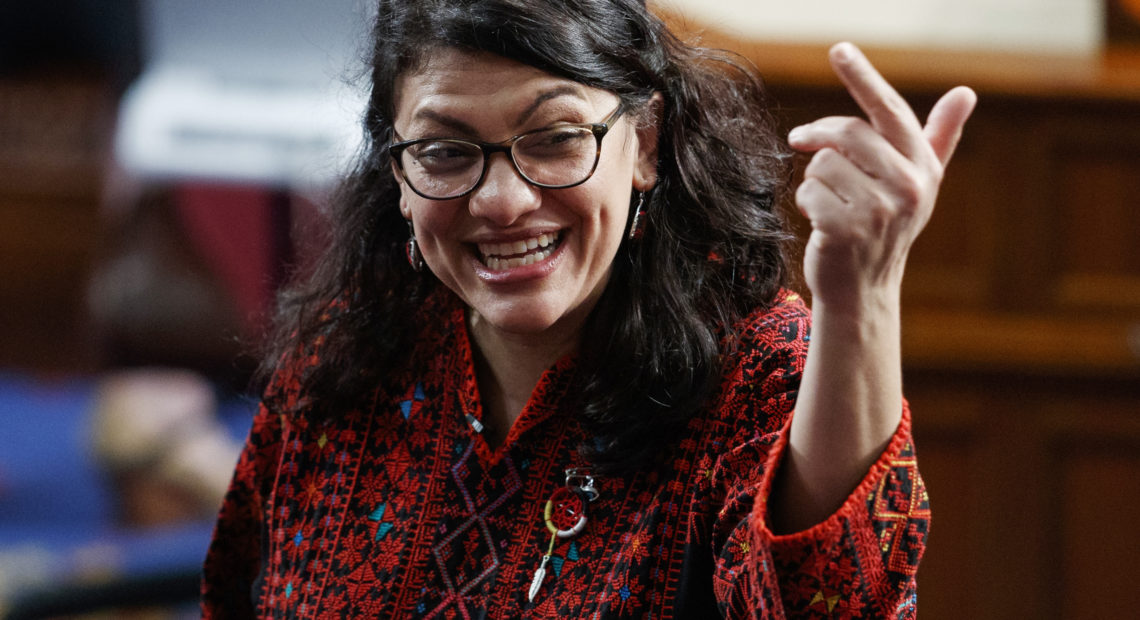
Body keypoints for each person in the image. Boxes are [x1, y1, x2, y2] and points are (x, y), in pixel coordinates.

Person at [202, 0, 976, 617]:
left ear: (644, 141)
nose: (502, 201)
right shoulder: (349, 357)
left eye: (555, 138)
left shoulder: (756, 371)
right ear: (396, 173)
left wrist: (859, 295)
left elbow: (830, 600)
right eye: (444, 151)